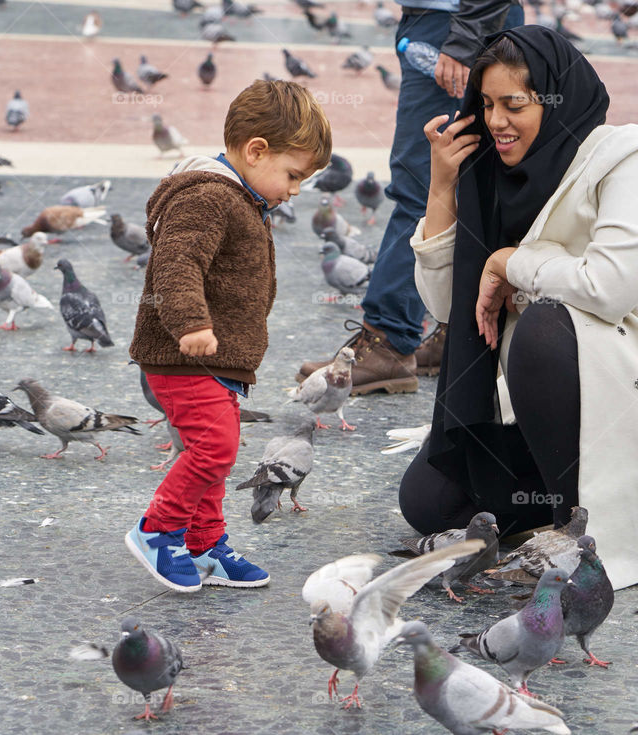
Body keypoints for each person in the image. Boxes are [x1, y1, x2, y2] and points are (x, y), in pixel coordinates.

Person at [402, 26, 638, 589]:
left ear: (554, 99)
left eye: (514, 104)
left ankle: (574, 532)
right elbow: (448, 307)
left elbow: (609, 287)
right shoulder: (492, 180)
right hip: (549, 403)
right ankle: (564, 496)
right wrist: (441, 190)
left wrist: (512, 261)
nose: (496, 121)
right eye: (485, 104)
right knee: (430, 499)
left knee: (541, 330)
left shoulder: (630, 158)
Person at [125, 80, 331, 592]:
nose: (295, 189)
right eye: (293, 175)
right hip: (184, 354)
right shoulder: (208, 198)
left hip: (219, 362)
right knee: (215, 449)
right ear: (256, 151)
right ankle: (158, 529)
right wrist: (191, 322)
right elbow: (176, 262)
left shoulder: (240, 198)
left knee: (215, 451)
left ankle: (203, 542)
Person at [296, 0, 524, 395]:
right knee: (467, 182)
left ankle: (389, 341)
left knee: (420, 186)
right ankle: (457, 331)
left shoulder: (459, 33)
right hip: (450, 25)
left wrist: (464, 36)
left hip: (454, 27)